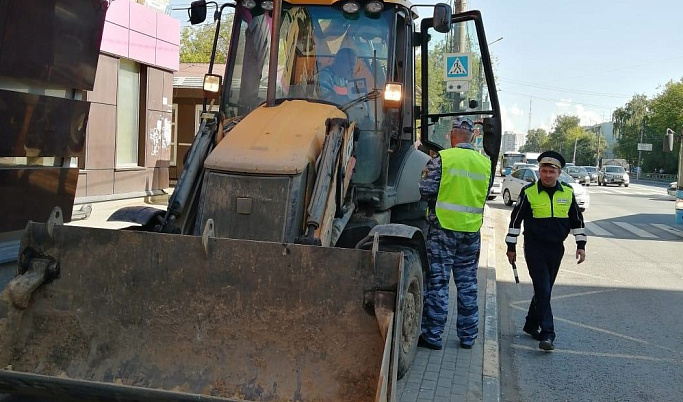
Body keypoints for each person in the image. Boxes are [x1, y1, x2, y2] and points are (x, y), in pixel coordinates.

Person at [418, 116, 492, 350]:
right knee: (468, 283)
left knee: (438, 283)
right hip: (471, 230)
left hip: (443, 229)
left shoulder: (443, 159)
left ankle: (433, 335)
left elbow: (425, 190)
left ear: (451, 136)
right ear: (472, 137)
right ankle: (468, 337)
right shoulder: (485, 164)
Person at [505, 150, 587, 351]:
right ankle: (548, 333)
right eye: (544, 171)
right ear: (539, 171)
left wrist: (581, 245)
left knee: (545, 288)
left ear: (559, 173)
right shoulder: (529, 192)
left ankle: (531, 324)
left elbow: (577, 220)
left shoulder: (567, 192)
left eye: (551, 171)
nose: (547, 175)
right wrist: (511, 247)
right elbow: (515, 220)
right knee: (543, 288)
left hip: (556, 248)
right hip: (534, 248)